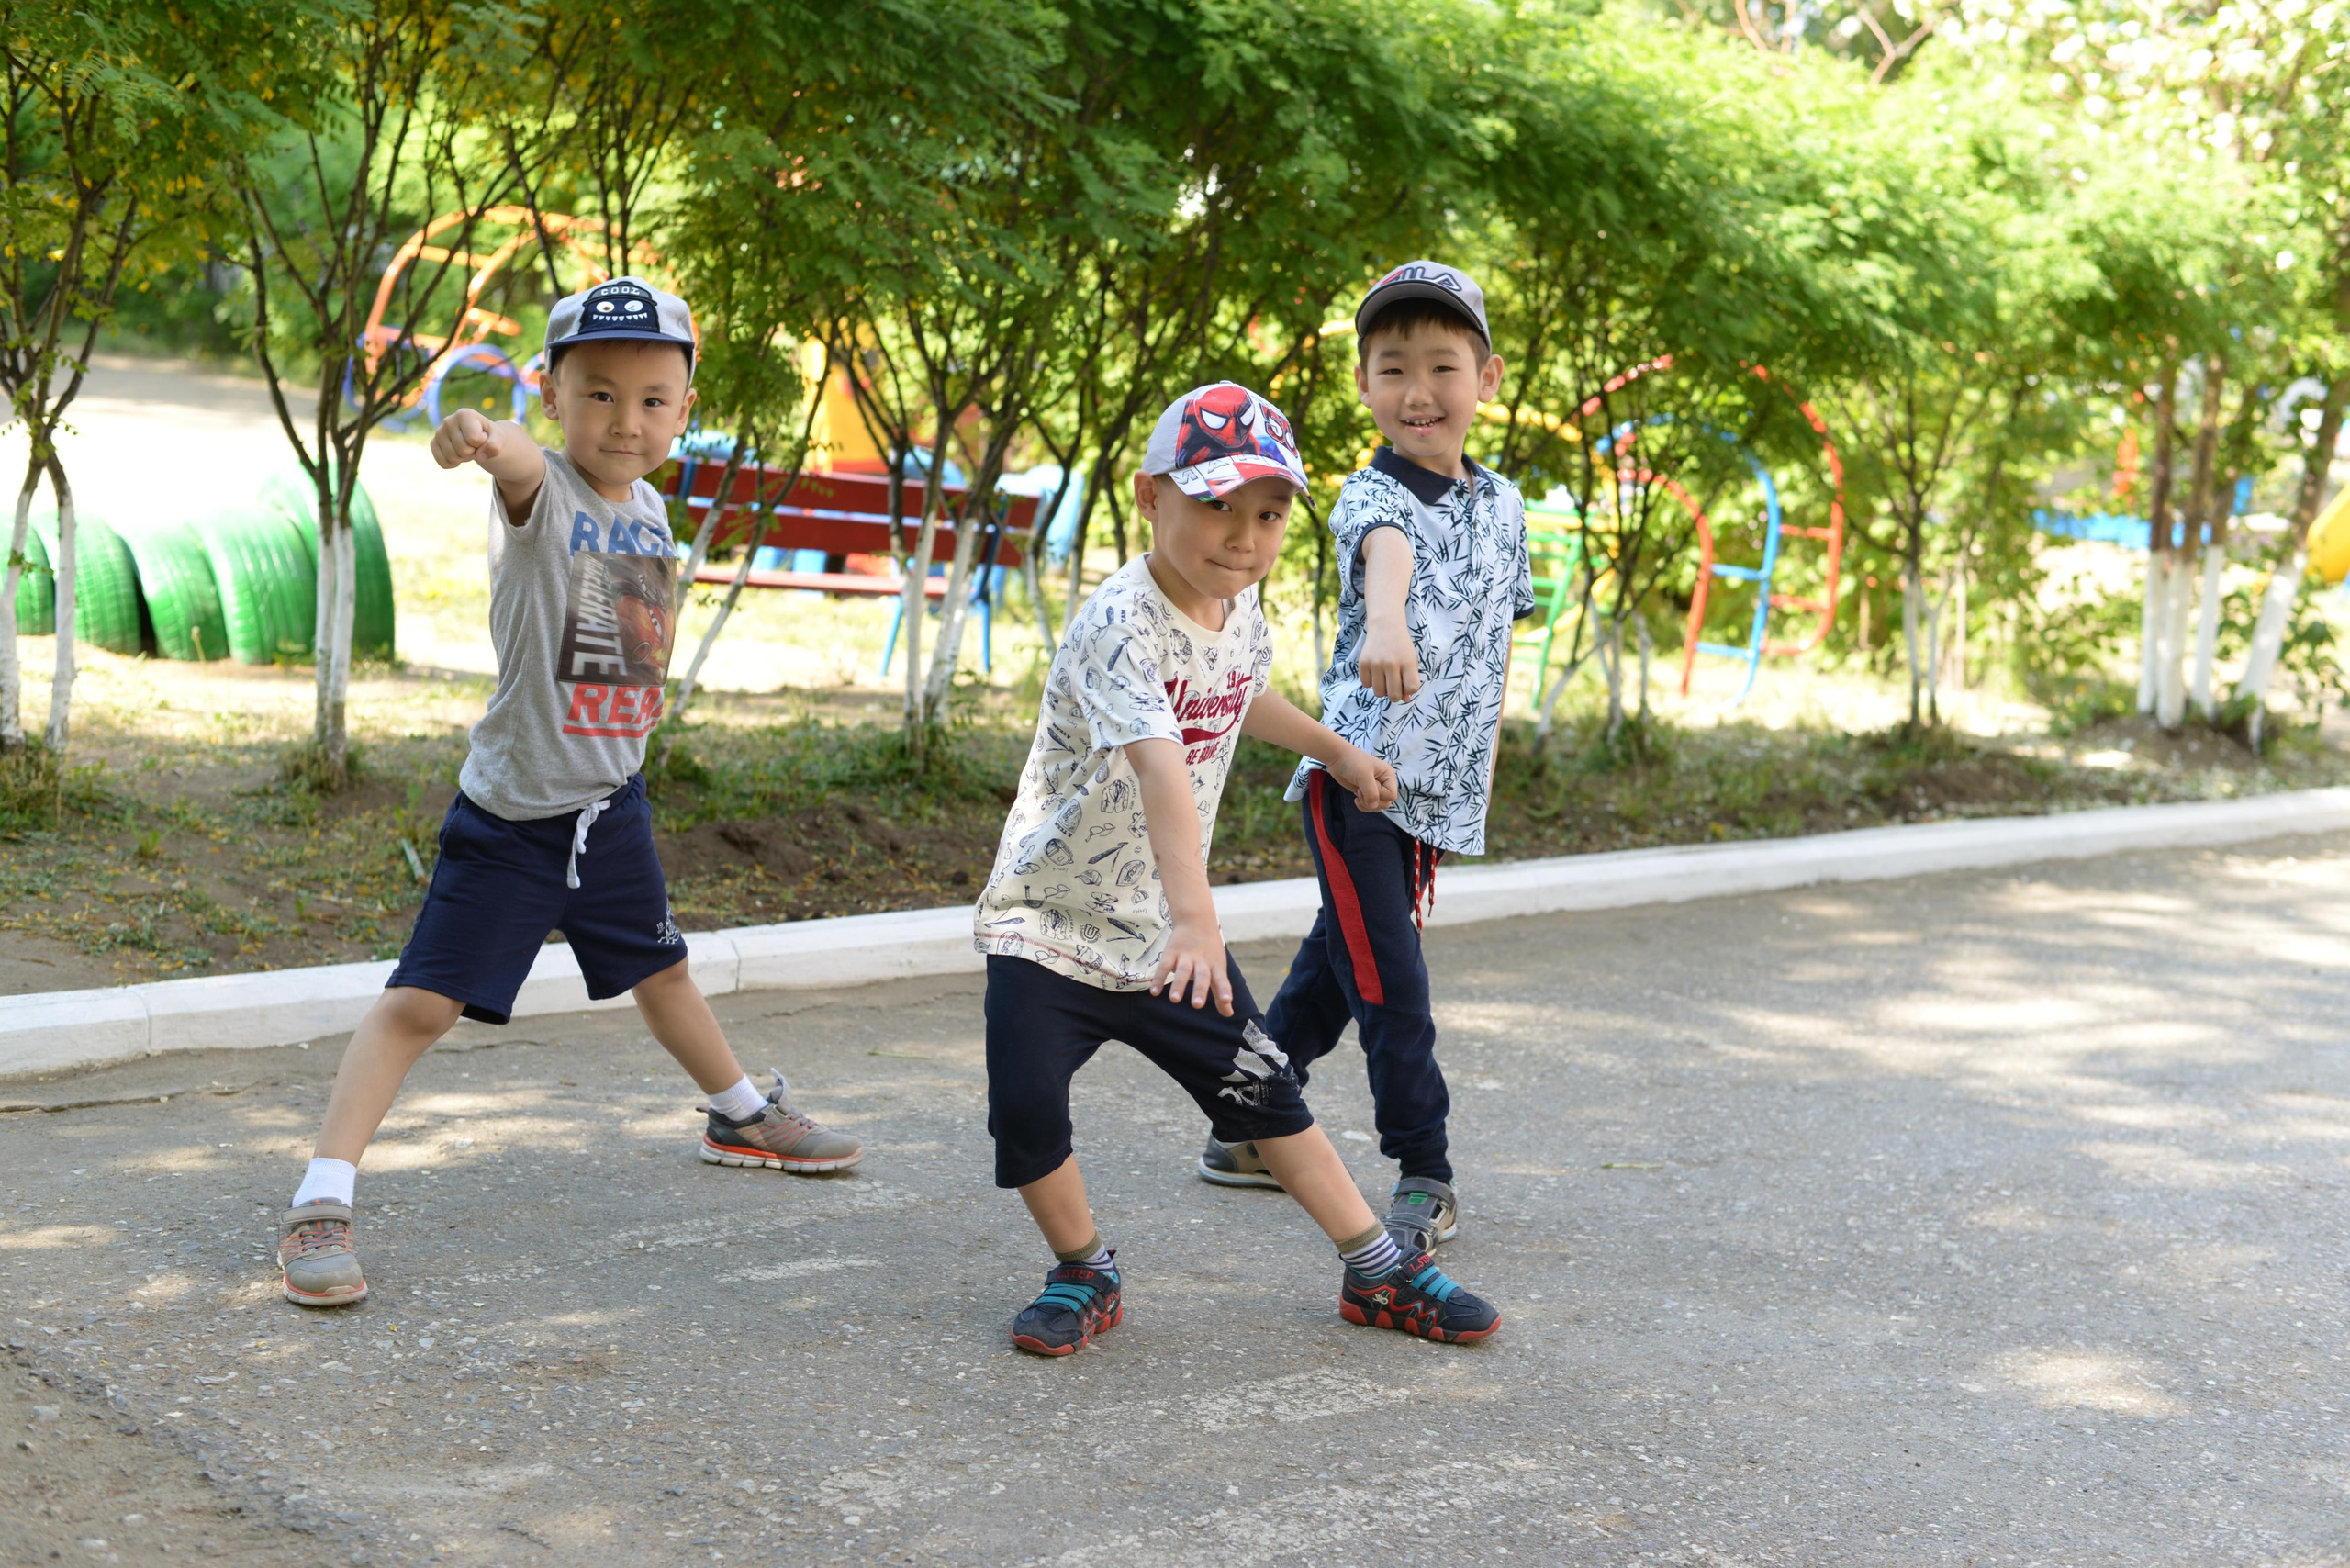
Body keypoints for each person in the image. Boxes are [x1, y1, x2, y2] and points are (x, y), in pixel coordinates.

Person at [274, 277, 862, 1309]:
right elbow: (509, 458)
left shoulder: (649, 506)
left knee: (663, 971)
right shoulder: (545, 492)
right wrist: (476, 434)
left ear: (684, 406)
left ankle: (739, 1113)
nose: (624, 422)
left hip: (610, 805)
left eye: (650, 400)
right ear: (550, 392)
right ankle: (320, 1198)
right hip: (514, 818)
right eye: (596, 395)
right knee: (419, 1004)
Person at [976, 380, 1504, 1354]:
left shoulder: (1236, 607)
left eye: (1265, 514)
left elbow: (1241, 690)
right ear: (1149, 496)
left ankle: (1379, 1272)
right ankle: (1083, 1266)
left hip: (1166, 933)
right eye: (1213, 504)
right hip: (1050, 926)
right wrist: (1197, 920)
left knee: (1265, 1092)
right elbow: (1161, 768)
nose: (1240, 535)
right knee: (1025, 1106)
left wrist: (1337, 748)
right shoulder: (1116, 624)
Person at [1194, 262, 1532, 1258]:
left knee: (1335, 969)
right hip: (1359, 778)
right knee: (1391, 980)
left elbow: (1495, 642)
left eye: (1440, 366)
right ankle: (1423, 1167)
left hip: (1439, 790)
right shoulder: (1370, 494)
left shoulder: (1506, 505)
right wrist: (1385, 624)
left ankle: (1244, 1120)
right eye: (1392, 369)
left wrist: (1484, 759)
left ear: (1488, 378)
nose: (1417, 391)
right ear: (1363, 384)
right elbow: (1387, 555)